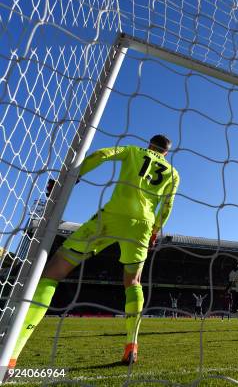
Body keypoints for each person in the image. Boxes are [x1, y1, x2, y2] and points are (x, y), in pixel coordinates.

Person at [8, 135, 179, 368]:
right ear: (167, 153)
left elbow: (101, 155)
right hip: (142, 226)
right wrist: (155, 230)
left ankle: (12, 353)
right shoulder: (173, 172)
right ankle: (131, 345)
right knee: (133, 281)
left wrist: (73, 178)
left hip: (112, 217)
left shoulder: (132, 150)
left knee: (54, 271)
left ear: (149, 144)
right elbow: (167, 204)